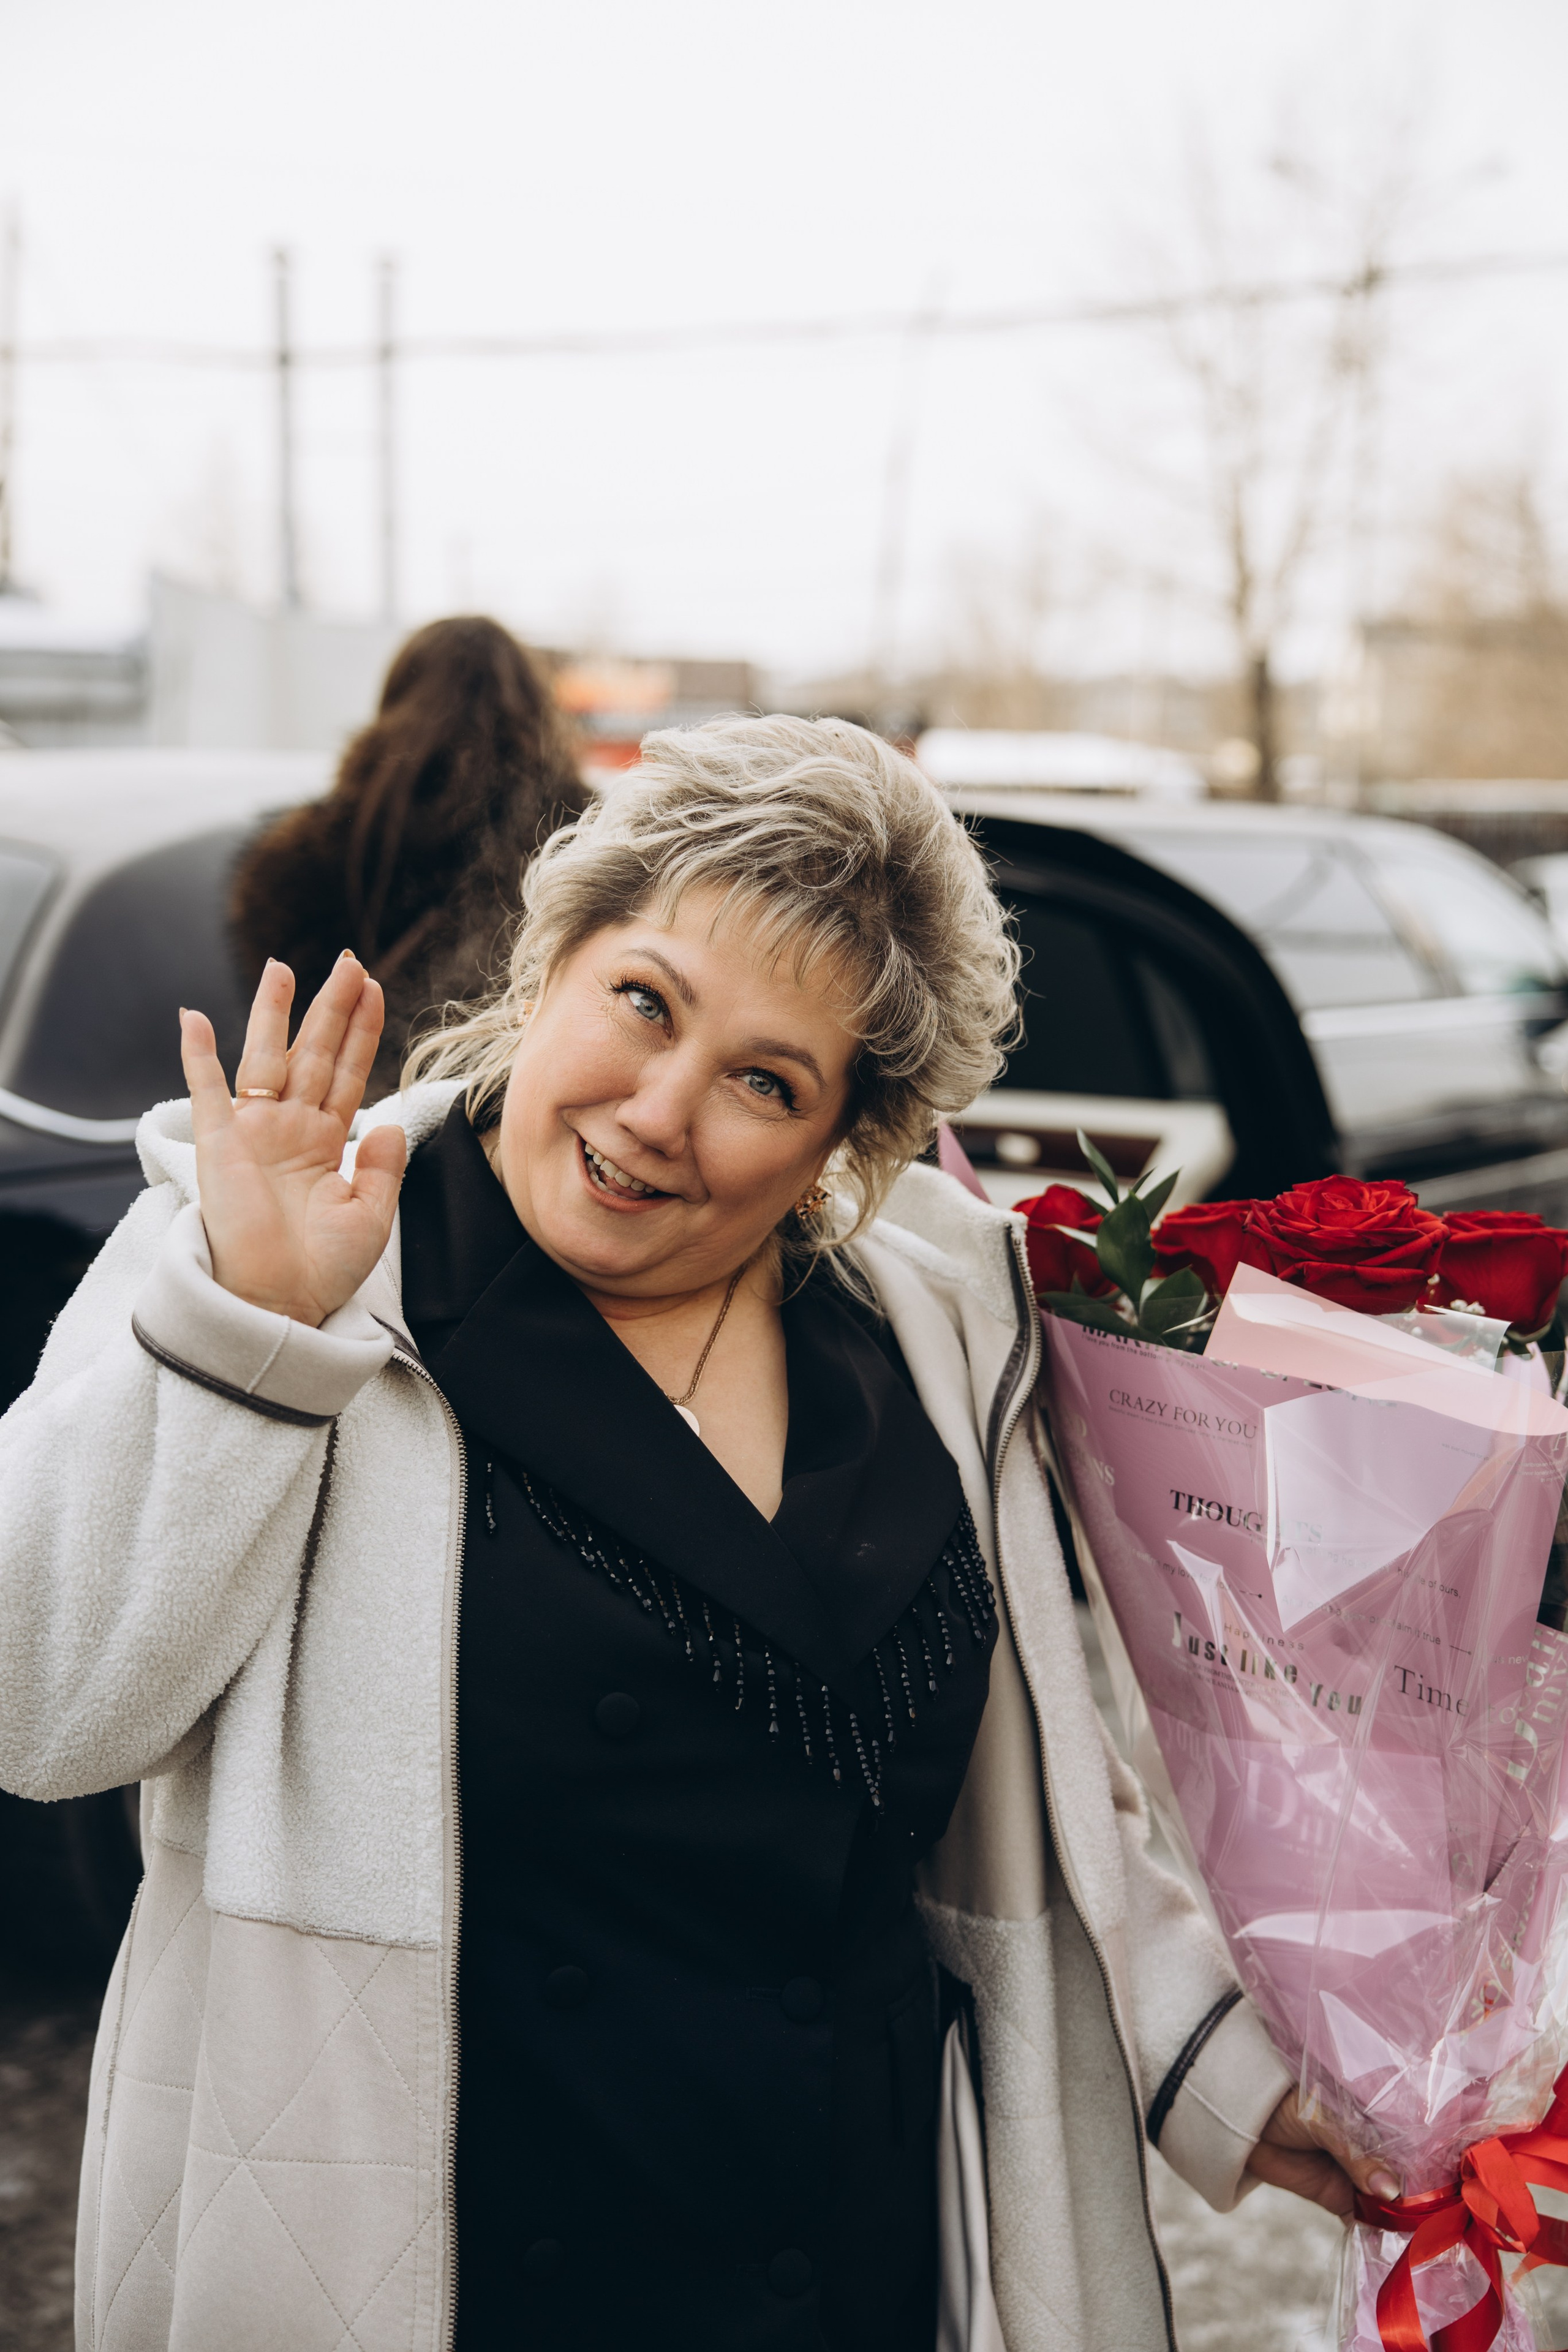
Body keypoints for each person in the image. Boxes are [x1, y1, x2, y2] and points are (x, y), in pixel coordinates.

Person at [0, 717, 1394, 2352]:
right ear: (557, 959)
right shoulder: (290, 1247)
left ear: (840, 1144)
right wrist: (253, 1331)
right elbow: (45, 1715)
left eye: (764, 1080)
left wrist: (1217, 2062)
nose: (663, 1112)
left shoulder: (930, 1315)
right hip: (450, 2276)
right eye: (645, 1002)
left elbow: (1014, 1813)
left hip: (853, 2261)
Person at [230, 613, 589, 1097]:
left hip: (350, 1126)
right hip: (514, 1126)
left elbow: (286, 1014)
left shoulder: (314, 853)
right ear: (536, 708)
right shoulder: (583, 840)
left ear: (396, 701)